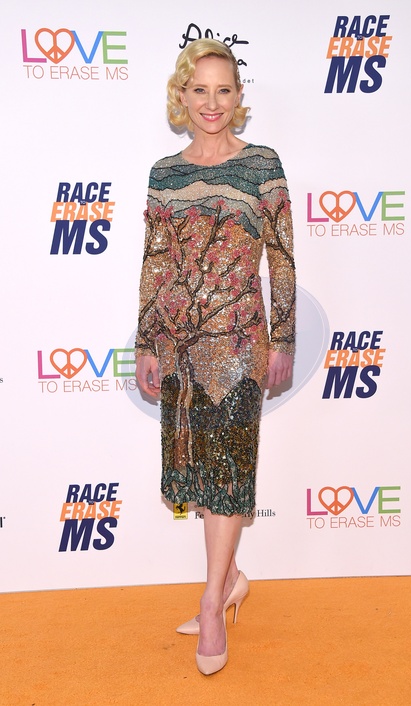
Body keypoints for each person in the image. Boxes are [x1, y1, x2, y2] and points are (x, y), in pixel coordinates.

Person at [135, 38, 295, 675]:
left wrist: (283, 337)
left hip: (238, 339)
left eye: (223, 90)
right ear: (183, 95)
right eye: (199, 89)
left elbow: (282, 258)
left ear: (238, 96)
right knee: (199, 472)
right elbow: (154, 263)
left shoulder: (262, 165)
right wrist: (145, 341)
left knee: (228, 471)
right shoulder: (163, 174)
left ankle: (209, 605)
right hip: (177, 342)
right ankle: (231, 581)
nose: (211, 102)